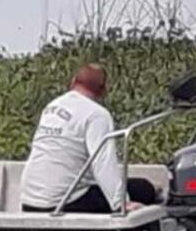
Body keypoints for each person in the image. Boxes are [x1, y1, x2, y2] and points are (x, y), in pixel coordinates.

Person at [19, 63, 158, 214]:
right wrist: (121, 203)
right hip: (63, 204)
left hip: (29, 202)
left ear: (73, 81)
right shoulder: (97, 115)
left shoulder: (51, 107)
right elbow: (103, 163)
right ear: (103, 90)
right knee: (144, 189)